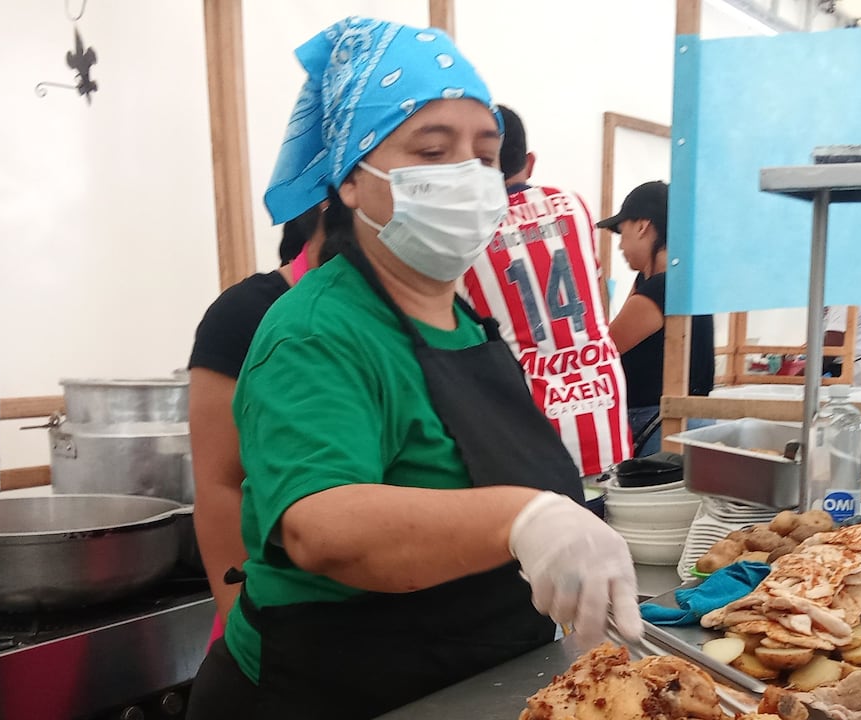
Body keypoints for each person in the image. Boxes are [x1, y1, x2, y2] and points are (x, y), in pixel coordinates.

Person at [185, 18, 640, 720]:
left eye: (485, 156)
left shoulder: (467, 321)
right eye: (433, 150)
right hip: (332, 694)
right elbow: (321, 523)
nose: (467, 175)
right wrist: (522, 517)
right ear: (350, 184)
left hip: (468, 682)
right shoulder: (316, 330)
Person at [459, 106, 631, 477]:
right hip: (603, 403)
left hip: (529, 423)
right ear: (530, 162)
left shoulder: (468, 230)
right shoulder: (574, 205)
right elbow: (598, 297)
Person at [187, 203, 324, 635]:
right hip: (280, 622)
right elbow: (220, 486)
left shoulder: (447, 309)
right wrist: (240, 626)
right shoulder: (246, 313)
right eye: (430, 152)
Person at [598, 181, 715, 456]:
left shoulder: (659, 291)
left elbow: (603, 350)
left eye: (621, 231)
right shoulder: (684, 284)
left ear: (642, 226)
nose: (620, 246)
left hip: (662, 428)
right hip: (692, 423)